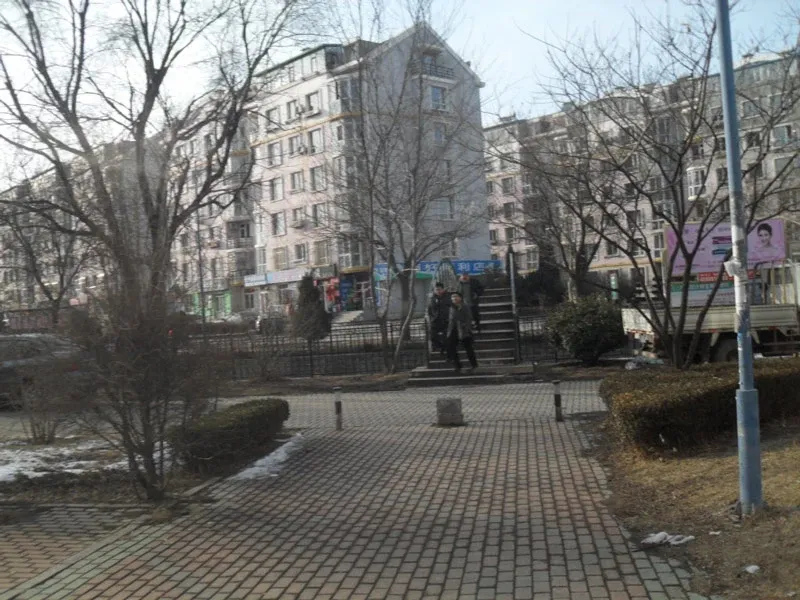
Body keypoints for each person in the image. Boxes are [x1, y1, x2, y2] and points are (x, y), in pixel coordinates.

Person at [447, 291, 478, 373]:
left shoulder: (465, 306)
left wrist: (467, 329)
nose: (454, 298)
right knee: (452, 348)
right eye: (453, 297)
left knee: (468, 348)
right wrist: (449, 332)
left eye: (456, 296)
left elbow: (468, 318)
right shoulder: (451, 308)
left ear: (460, 298)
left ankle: (474, 365)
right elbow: (450, 320)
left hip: (464, 329)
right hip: (454, 330)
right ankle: (457, 365)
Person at [427, 282, 451, 355]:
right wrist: (432, 318)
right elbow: (429, 310)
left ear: (443, 289)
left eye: (439, 289)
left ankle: (447, 352)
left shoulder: (448, 297)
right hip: (435, 320)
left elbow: (452, 308)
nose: (438, 291)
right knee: (432, 336)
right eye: (436, 290)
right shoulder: (432, 298)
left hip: (446, 320)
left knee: (446, 338)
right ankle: (442, 347)